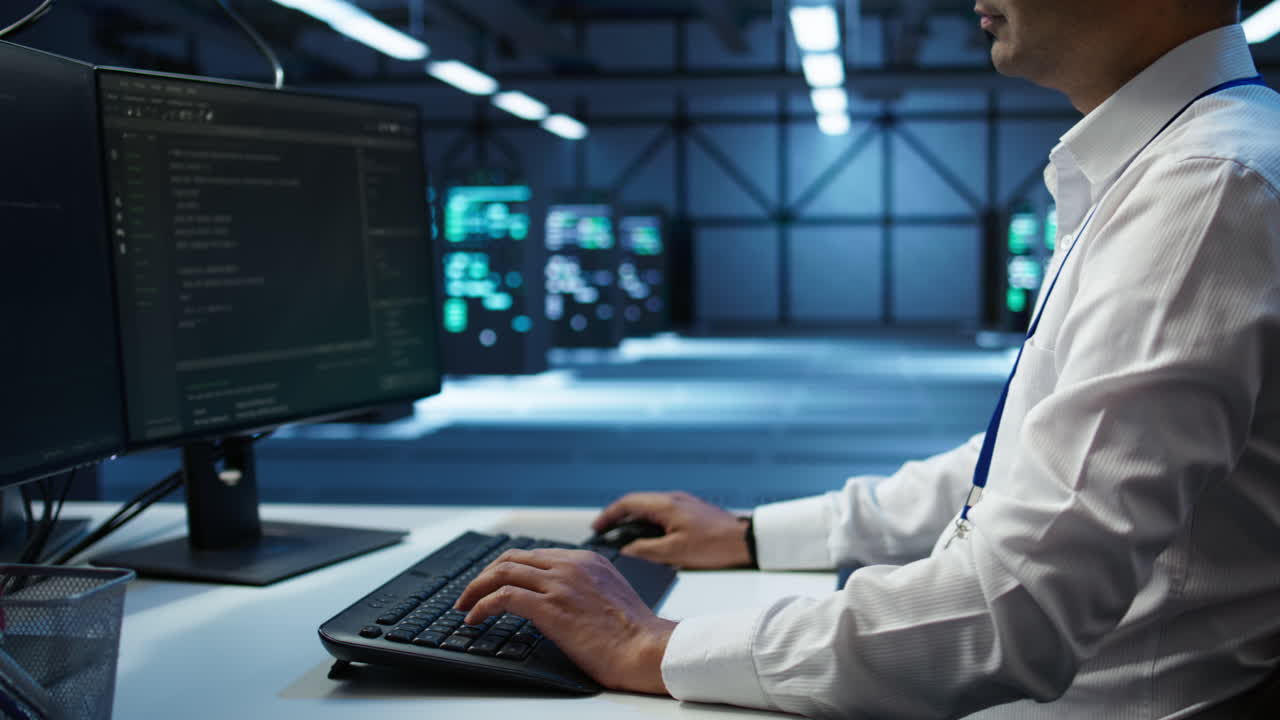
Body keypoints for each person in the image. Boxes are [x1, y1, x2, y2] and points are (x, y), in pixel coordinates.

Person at [457, 0, 1280, 716]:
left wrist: (653, 644)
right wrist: (752, 535)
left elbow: (1017, 606)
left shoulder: (1204, 188)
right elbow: (1033, 466)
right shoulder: (1173, 167)